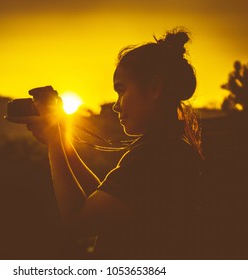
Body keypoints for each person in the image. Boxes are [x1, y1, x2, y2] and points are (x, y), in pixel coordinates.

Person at [26, 28, 203, 259]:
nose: (117, 105)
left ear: (154, 89)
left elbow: (79, 222)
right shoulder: (167, 147)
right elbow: (100, 199)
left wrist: (54, 141)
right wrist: (60, 141)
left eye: (121, 90)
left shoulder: (158, 155)